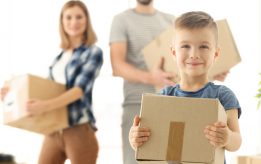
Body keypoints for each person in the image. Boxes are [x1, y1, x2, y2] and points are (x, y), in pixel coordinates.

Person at [129, 11, 242, 163]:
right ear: (174, 52)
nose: (194, 54)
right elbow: (149, 143)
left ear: (216, 53)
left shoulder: (222, 95)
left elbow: (236, 141)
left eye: (203, 46)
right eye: (185, 46)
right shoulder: (164, 97)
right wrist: (134, 138)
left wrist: (227, 137)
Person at [1, 1, 103, 164]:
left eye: (79, 17)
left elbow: (78, 91)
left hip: (78, 127)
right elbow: (45, 91)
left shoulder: (93, 52)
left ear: (86, 20)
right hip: (53, 129)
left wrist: (45, 106)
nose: (73, 22)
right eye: (68, 17)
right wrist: (11, 95)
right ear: (62, 21)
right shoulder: (59, 58)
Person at [109, 0, 177, 163]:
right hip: (137, 105)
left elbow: (182, 59)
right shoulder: (121, 20)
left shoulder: (171, 20)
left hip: (171, 104)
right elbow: (117, 65)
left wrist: (211, 71)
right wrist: (151, 78)